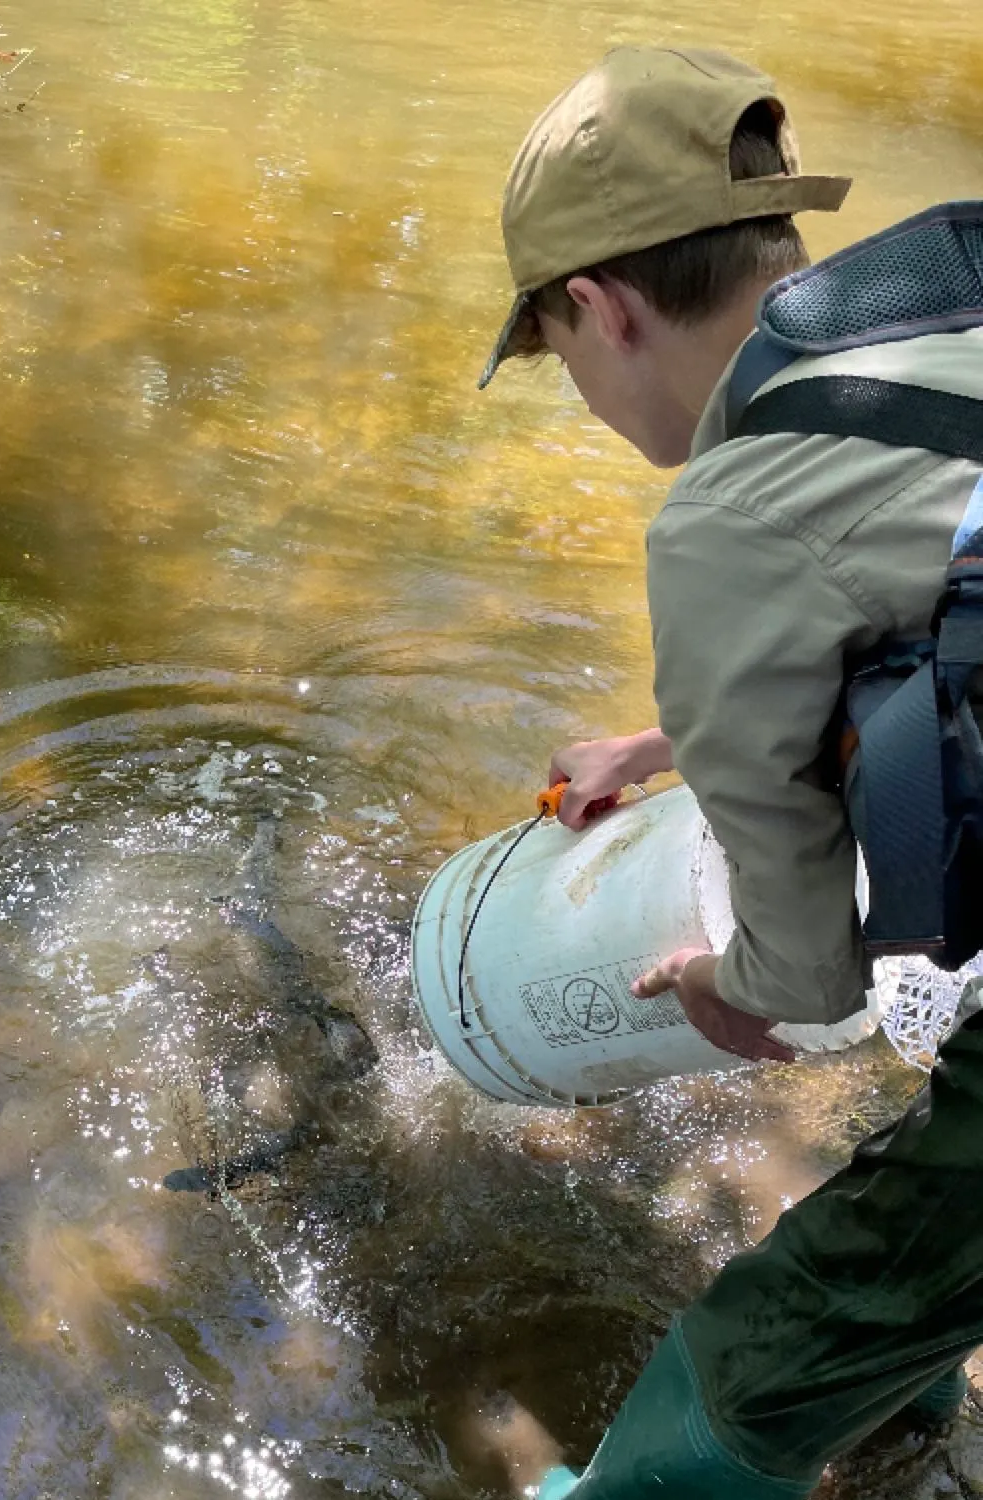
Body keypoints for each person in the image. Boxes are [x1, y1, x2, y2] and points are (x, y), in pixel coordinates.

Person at [475, 46, 983, 1498]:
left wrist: (724, 986)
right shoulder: (940, 306)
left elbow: (810, 985)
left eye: (557, 358)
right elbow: (931, 595)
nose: (580, 394)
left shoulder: (726, 514)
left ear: (597, 307)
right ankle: (902, 1426)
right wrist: (674, 735)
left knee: (768, 1345)